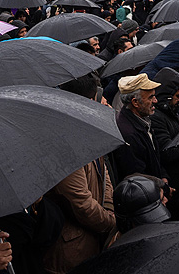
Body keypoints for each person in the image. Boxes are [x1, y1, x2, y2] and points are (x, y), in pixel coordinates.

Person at [43, 74, 116, 274]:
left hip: (94, 237)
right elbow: (80, 202)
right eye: (102, 101)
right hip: (72, 250)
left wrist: (109, 206)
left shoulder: (87, 131)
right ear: (90, 101)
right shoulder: (64, 144)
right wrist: (110, 222)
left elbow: (105, 176)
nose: (107, 106)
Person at [148, 67, 179, 217]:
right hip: (173, 185)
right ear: (166, 95)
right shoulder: (157, 118)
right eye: (177, 96)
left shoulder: (170, 112)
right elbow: (167, 151)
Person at [112, 73, 166, 181]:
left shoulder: (142, 121)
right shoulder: (129, 134)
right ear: (135, 102)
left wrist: (164, 177)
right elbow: (138, 176)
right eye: (150, 97)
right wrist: (161, 186)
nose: (155, 101)